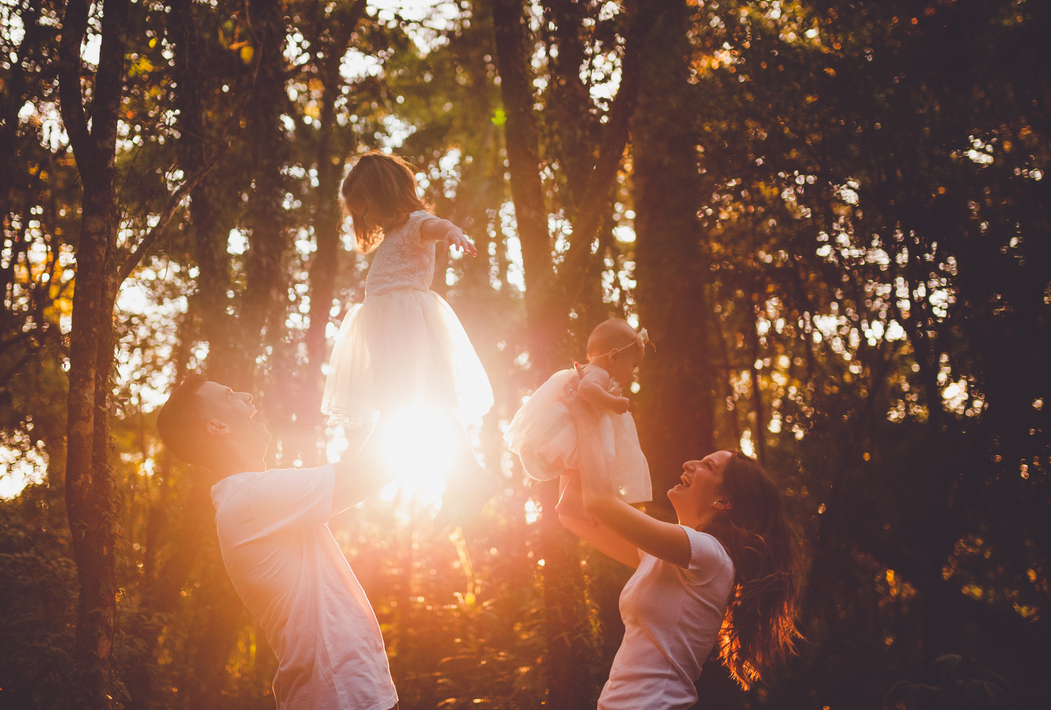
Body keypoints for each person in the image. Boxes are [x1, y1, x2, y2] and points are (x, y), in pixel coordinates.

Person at [157, 375, 399, 710]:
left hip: (354, 693)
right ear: (217, 426)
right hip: (339, 698)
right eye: (230, 394)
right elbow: (373, 470)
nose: (247, 395)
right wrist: (396, 392)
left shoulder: (249, 497)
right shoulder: (251, 498)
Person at [558, 387, 801, 709]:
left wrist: (586, 418)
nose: (689, 463)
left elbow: (600, 503)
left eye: (707, 466)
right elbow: (571, 512)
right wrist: (575, 436)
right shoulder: (666, 555)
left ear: (723, 501)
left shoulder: (709, 554)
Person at [321, 150, 498, 526]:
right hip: (385, 329)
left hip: (407, 325)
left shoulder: (416, 224)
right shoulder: (390, 236)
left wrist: (453, 233)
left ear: (384, 194)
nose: (365, 218)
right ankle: (459, 478)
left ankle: (468, 477)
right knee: (399, 402)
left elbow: (438, 225)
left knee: (423, 399)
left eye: (366, 208)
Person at [505, 318, 653, 518]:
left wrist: (613, 409)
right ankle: (578, 504)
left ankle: (571, 503)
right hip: (564, 434)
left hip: (556, 436)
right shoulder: (600, 374)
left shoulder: (593, 372)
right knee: (592, 460)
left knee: (582, 466)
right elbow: (586, 388)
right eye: (633, 365)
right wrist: (613, 403)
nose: (633, 373)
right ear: (614, 356)